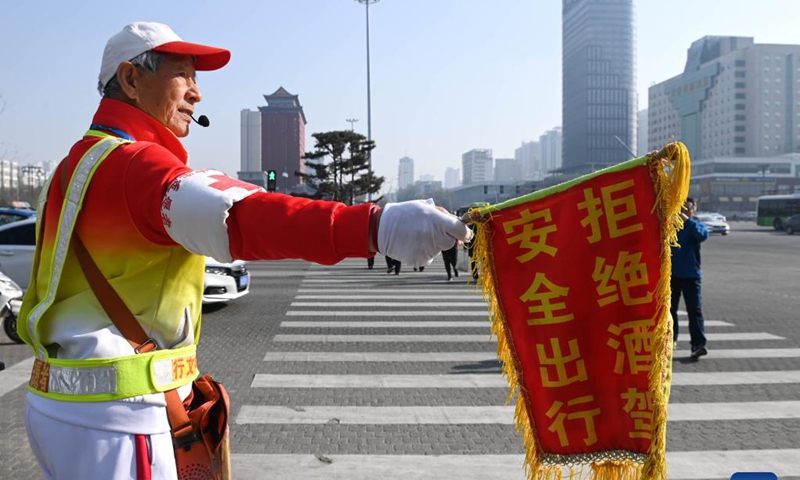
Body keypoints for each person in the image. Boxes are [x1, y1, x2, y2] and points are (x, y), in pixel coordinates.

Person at [18, 22, 471, 480]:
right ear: (132, 79)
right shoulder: (138, 162)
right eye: (184, 75)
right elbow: (242, 216)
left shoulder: (71, 166)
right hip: (118, 419)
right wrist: (377, 225)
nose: (197, 93)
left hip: (59, 405)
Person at [670, 197, 709, 360]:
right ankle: (670, 341)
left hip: (692, 276)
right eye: (682, 209)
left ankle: (698, 344)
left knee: (695, 311)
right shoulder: (671, 226)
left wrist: (688, 221)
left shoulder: (695, 226)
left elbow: (703, 236)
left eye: (688, 209)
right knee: (670, 311)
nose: (685, 212)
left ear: (693, 211)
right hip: (671, 276)